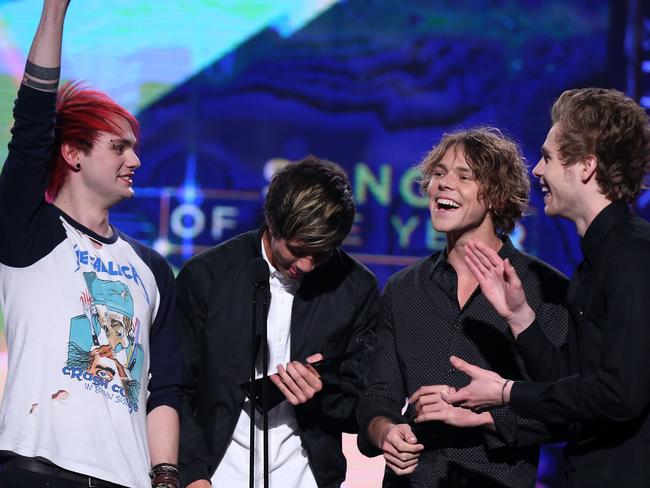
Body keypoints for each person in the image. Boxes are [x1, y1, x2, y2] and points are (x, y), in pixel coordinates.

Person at [0, 1, 182, 487]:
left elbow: (163, 389)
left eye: (135, 147)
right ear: (73, 154)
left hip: (127, 479)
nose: (136, 160)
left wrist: (165, 476)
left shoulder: (153, 269)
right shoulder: (29, 233)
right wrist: (55, 10)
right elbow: (32, 123)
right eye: (119, 147)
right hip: (34, 468)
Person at [444, 88, 650, 487]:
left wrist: (506, 392)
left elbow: (620, 395)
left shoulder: (634, 257)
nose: (537, 170)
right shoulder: (596, 261)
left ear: (587, 167)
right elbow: (570, 385)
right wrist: (521, 319)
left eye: (549, 158)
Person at [356, 127, 570, 487]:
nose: (442, 184)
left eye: (463, 176)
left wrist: (485, 417)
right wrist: (386, 432)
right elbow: (378, 396)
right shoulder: (403, 289)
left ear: (497, 196)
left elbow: (565, 409)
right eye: (438, 174)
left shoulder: (544, 289)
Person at [176, 156, 380, 488]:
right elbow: (177, 388)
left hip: (306, 476)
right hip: (216, 472)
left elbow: (362, 405)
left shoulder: (357, 288)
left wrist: (321, 392)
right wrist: (191, 474)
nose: (308, 265)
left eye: (323, 252)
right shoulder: (207, 276)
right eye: (298, 249)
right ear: (271, 222)